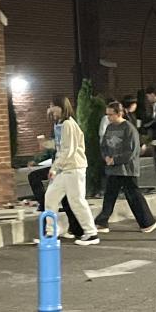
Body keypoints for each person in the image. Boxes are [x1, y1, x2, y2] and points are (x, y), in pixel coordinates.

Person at [94, 101, 156, 234]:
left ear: (119, 113)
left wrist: (115, 160)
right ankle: (102, 222)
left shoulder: (129, 128)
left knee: (134, 196)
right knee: (109, 195)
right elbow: (104, 145)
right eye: (107, 115)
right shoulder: (110, 128)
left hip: (127, 169)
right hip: (113, 169)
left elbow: (132, 151)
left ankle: (148, 222)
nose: (108, 117)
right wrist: (106, 157)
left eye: (110, 114)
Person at [44, 96, 99, 245]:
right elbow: (61, 147)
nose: (50, 109)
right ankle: (51, 231)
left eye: (52, 106)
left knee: (76, 201)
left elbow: (68, 150)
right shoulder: (60, 124)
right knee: (50, 197)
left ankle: (91, 233)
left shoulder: (68, 124)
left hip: (74, 168)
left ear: (61, 107)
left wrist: (55, 168)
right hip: (65, 169)